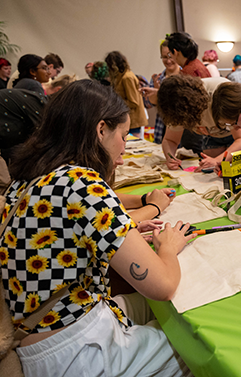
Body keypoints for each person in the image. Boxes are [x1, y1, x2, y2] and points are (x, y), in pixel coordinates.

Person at [1, 79, 194, 376]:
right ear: (101, 129)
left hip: (40, 337)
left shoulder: (30, 177)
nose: (125, 146)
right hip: (75, 350)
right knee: (196, 345)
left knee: (158, 310)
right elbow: (163, 286)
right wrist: (168, 246)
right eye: (124, 135)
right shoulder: (82, 182)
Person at [156, 75, 241, 171]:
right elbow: (170, 140)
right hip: (212, 135)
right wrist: (170, 158)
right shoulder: (175, 106)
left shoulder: (219, 94)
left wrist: (216, 160)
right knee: (214, 172)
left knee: (236, 171)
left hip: (236, 132)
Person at [105, 51, 148, 137]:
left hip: (133, 120)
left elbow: (133, 102)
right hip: (127, 118)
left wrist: (116, 103)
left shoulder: (127, 78)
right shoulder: (120, 77)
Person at [150, 40, 181, 144]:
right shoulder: (158, 78)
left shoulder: (186, 76)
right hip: (162, 127)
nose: (168, 61)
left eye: (170, 56)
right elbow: (150, 104)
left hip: (182, 129)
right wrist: (155, 92)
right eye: (164, 57)